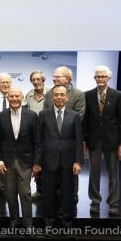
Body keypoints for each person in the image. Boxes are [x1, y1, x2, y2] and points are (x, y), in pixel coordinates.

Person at [83, 65, 121, 216]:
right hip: (94, 140)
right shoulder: (87, 95)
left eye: (103, 76)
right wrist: (84, 141)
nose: (100, 79)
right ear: (94, 78)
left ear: (109, 78)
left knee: (113, 174)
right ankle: (95, 201)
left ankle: (113, 203)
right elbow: (85, 121)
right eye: (98, 76)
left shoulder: (118, 95)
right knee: (93, 173)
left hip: (113, 140)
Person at [39, 85, 84, 228]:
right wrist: (37, 162)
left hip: (68, 160)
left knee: (67, 192)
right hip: (48, 160)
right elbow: (39, 140)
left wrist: (78, 161)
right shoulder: (44, 114)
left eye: (62, 95)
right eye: (56, 94)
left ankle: (66, 220)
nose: (59, 97)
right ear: (52, 97)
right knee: (48, 192)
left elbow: (78, 140)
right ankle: (48, 220)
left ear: (67, 97)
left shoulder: (74, 115)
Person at [0, 87, 40, 229]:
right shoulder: (0, 116)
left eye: (17, 96)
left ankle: (28, 224)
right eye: (11, 96)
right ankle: (14, 222)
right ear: (7, 98)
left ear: (22, 98)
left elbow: (37, 142)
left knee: (25, 194)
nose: (14, 99)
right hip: (6, 162)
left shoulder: (32, 116)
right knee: (10, 194)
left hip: (26, 161)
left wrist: (36, 164)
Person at [24, 70, 49, 201]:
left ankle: (48, 191)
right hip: (32, 134)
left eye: (38, 79)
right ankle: (39, 190)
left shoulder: (50, 94)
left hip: (48, 134)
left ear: (43, 80)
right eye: (33, 79)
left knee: (47, 163)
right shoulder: (28, 95)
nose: (36, 82)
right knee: (36, 162)